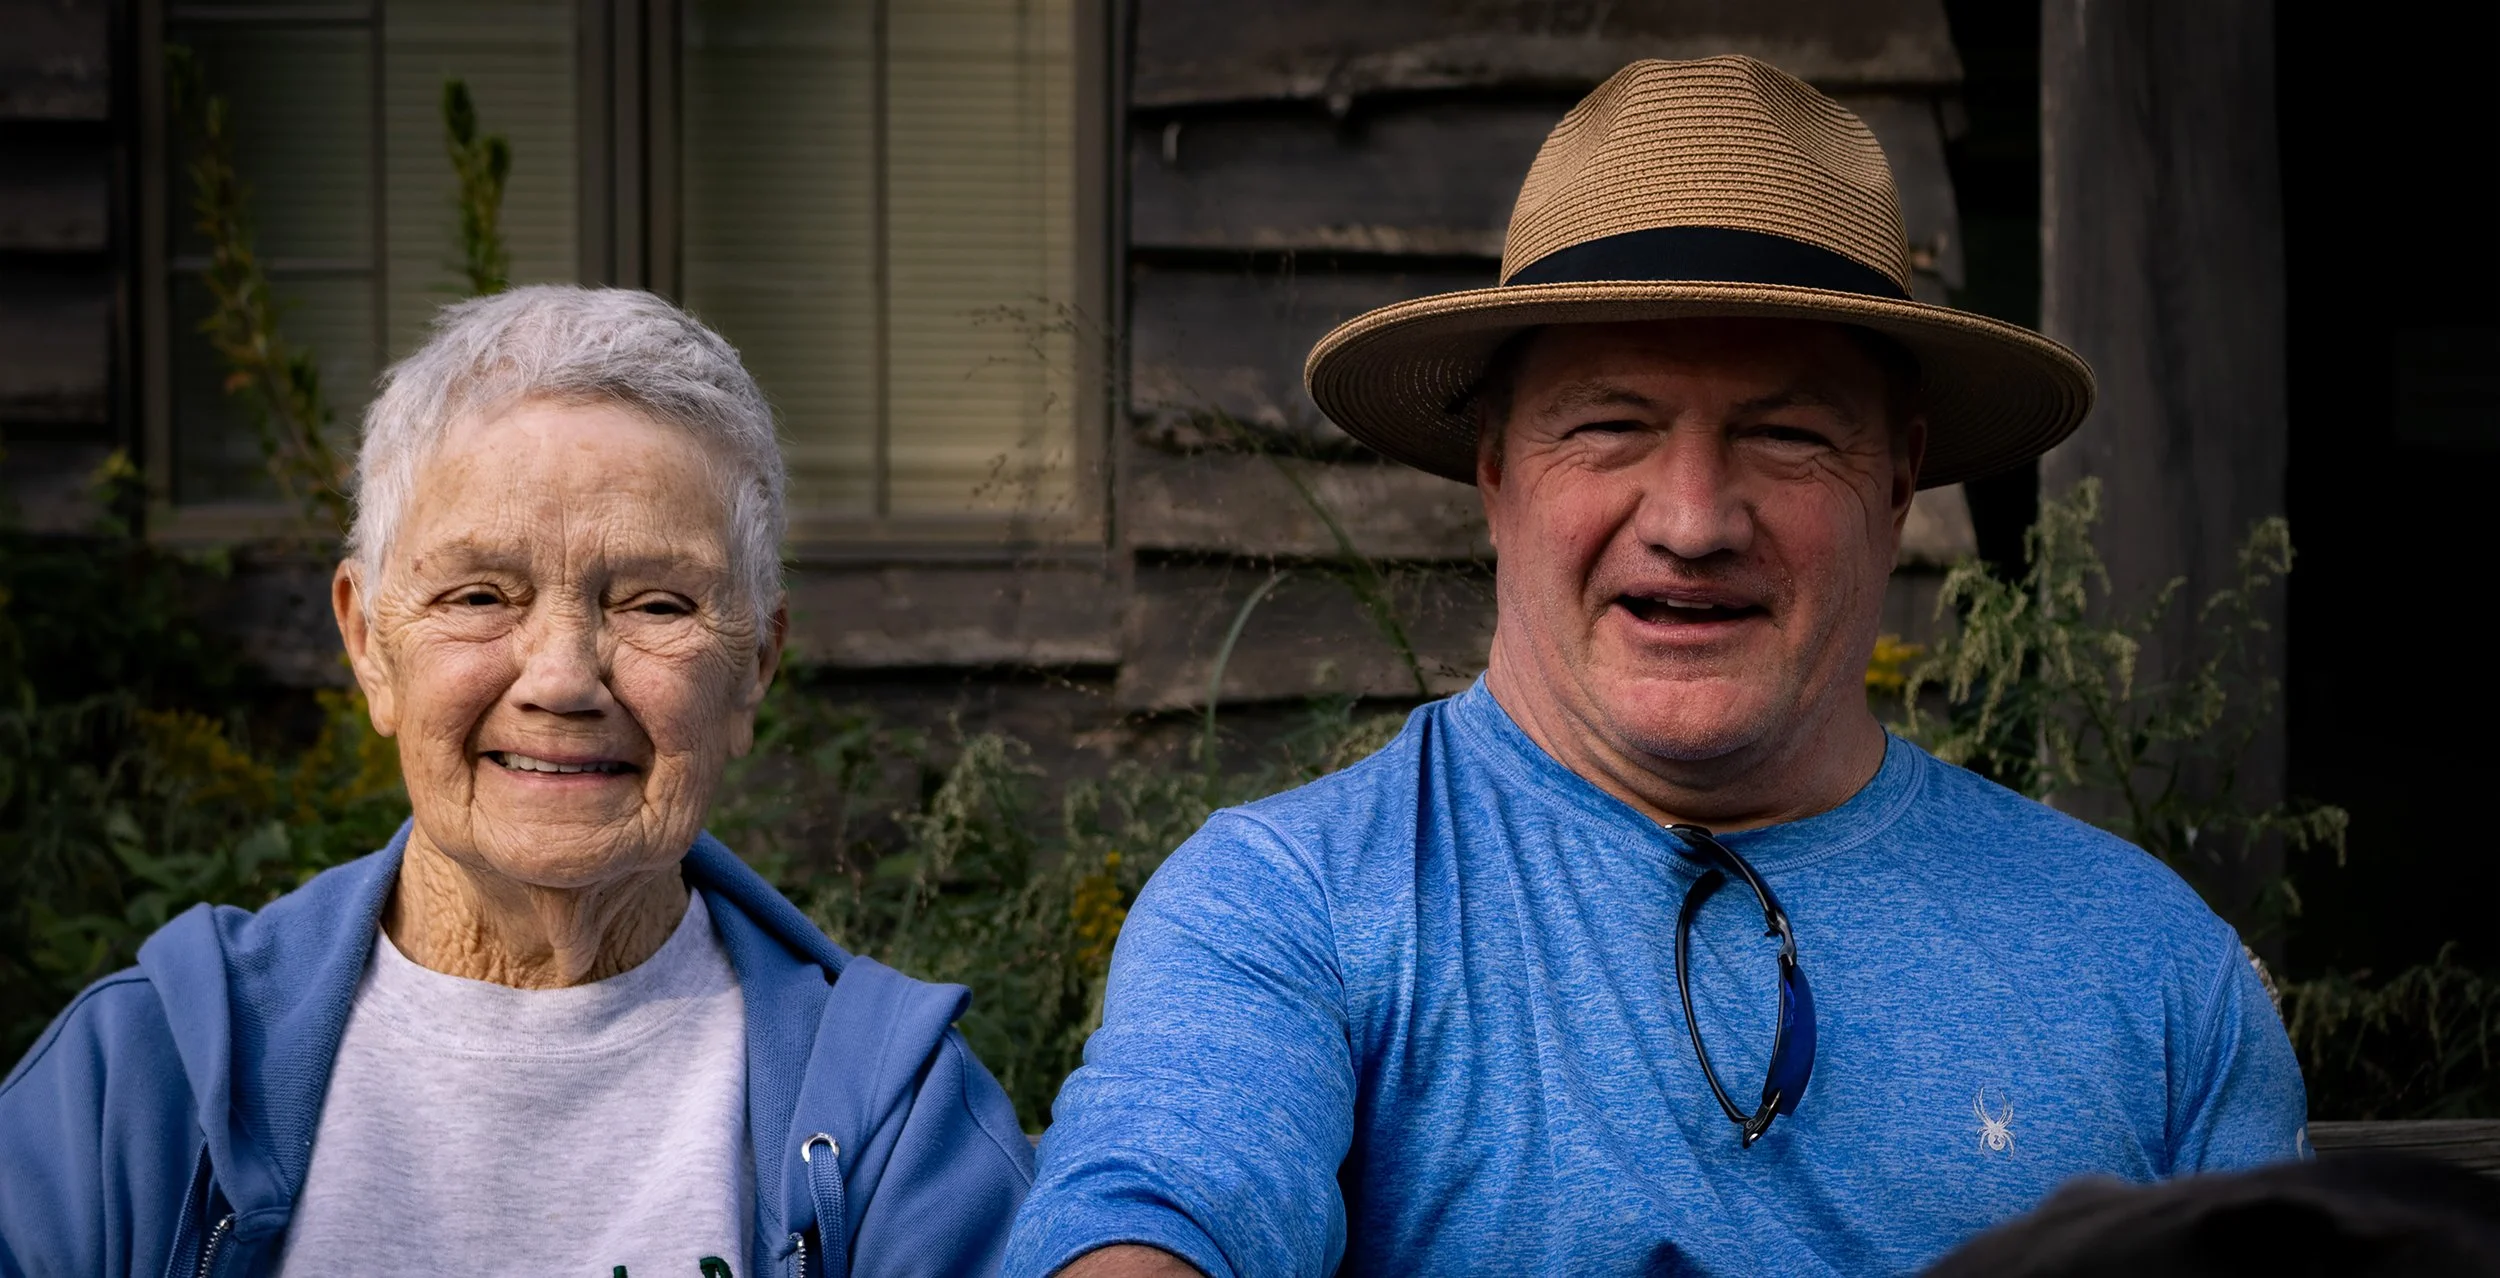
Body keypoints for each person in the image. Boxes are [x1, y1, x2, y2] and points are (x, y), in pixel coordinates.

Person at [1005, 55, 2307, 1278]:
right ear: (1499, 472)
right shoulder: (1288, 913)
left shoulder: (2150, 970)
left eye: (1786, 434)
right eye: (1612, 426)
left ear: (1898, 480)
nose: (1692, 519)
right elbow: (1151, 1210)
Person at [0, 286, 1033, 1277]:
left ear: (754, 665)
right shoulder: (137, 1084)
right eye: (482, 594)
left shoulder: (895, 1127)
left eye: (657, 605)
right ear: (368, 641)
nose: (561, 678)